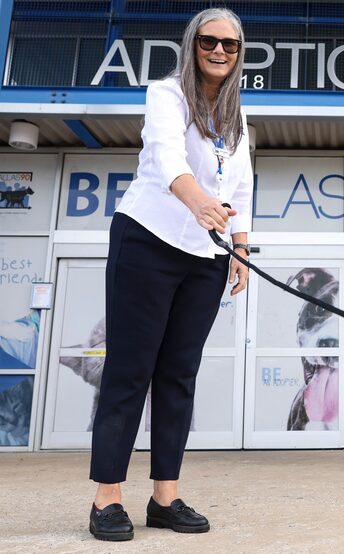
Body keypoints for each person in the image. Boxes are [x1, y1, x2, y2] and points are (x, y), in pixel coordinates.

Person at [87, 8, 253, 541]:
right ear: (193, 44)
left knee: (179, 375)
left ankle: (165, 496)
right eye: (209, 41)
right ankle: (106, 497)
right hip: (148, 240)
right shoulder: (167, 94)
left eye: (229, 45)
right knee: (131, 369)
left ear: (239, 52)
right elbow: (164, 157)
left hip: (205, 255)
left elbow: (243, 183)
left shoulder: (237, 115)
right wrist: (200, 203)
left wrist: (240, 246)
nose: (219, 51)